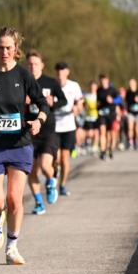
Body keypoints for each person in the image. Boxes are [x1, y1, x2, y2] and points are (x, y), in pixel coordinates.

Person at [0, 26, 50, 265]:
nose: (4, 51)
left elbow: (42, 103)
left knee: (14, 200)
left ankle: (12, 247)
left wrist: (38, 121)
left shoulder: (24, 76)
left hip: (19, 143)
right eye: (0, 47)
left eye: (8, 48)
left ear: (16, 50)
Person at [24, 51, 66, 214]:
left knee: (45, 165)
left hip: (48, 130)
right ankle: (38, 202)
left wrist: (52, 102)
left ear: (42, 65)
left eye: (36, 63)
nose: (33, 66)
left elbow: (63, 100)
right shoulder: (22, 82)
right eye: (30, 64)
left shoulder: (51, 82)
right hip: (29, 131)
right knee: (31, 170)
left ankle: (51, 180)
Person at [53, 62, 84, 197]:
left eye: (62, 71)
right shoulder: (52, 85)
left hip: (68, 126)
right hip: (54, 126)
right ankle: (55, 172)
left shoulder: (74, 86)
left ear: (67, 72)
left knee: (65, 157)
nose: (60, 74)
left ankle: (63, 184)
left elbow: (80, 102)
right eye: (58, 71)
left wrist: (78, 108)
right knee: (56, 158)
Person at [96, 74, 119, 160]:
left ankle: (111, 150)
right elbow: (97, 102)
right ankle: (102, 151)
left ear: (107, 80)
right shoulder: (99, 90)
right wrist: (98, 105)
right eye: (101, 81)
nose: (103, 82)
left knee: (111, 135)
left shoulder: (113, 90)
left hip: (111, 115)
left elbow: (119, 100)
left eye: (104, 80)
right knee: (102, 133)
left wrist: (113, 100)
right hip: (102, 114)